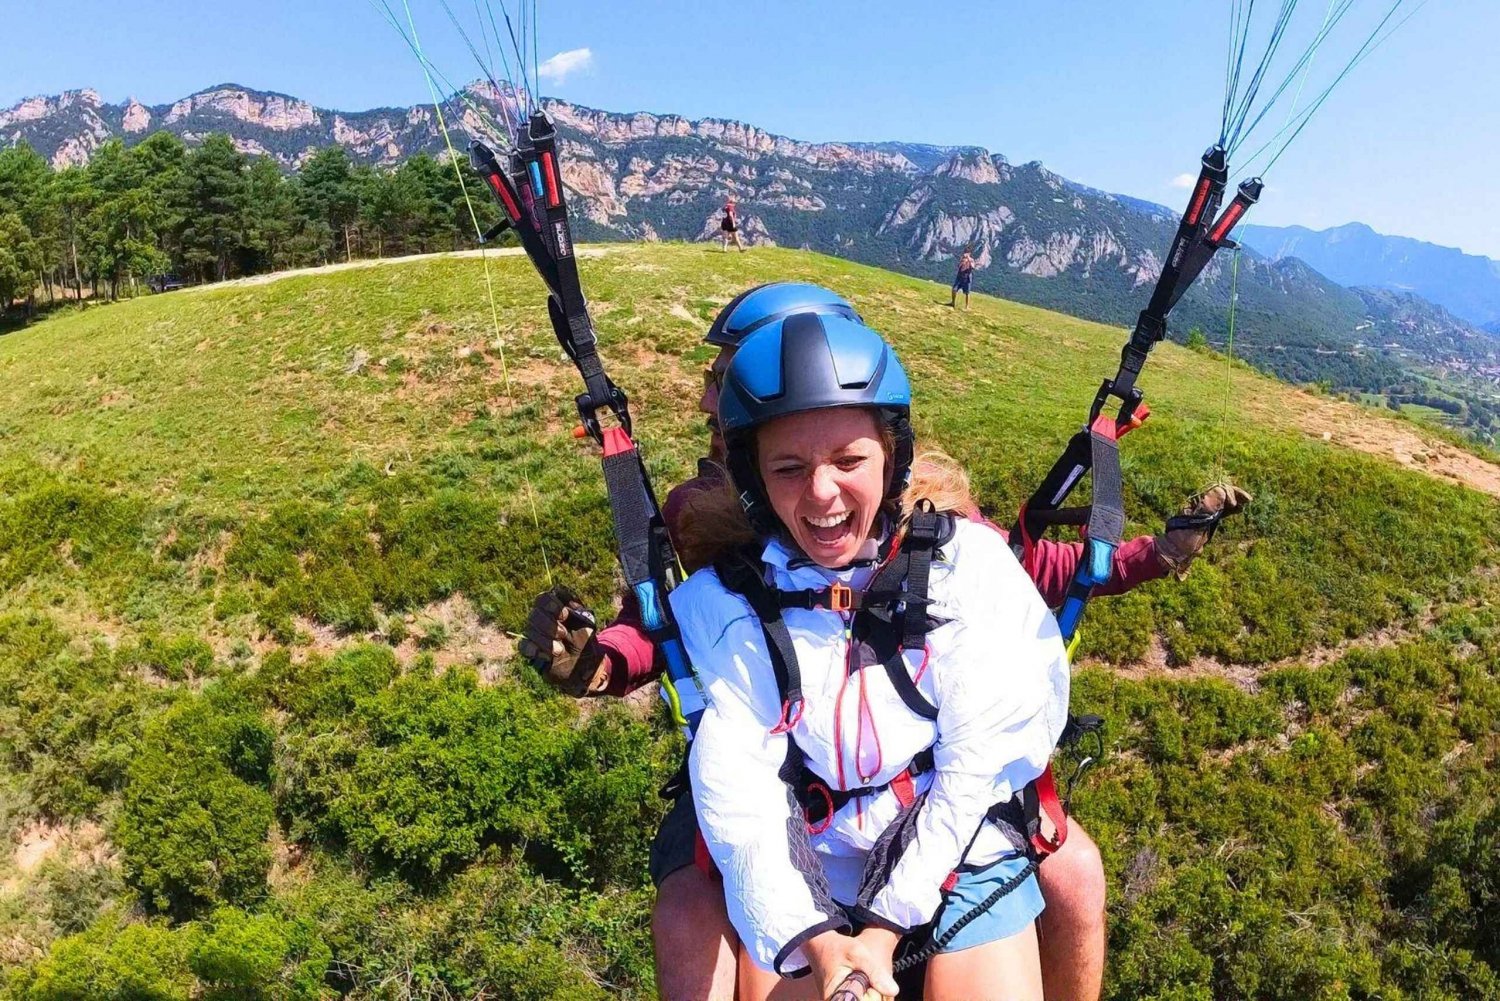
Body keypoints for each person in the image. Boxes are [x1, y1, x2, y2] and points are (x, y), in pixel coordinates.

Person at [520, 283, 1250, 1001]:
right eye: (733, 383)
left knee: (1075, 873)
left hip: (913, 763)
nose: (822, 490)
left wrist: (1151, 554)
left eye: (844, 455)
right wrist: (599, 661)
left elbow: (1022, 573)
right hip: (775, 761)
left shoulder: (921, 509)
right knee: (687, 918)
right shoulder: (703, 515)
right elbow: (673, 632)